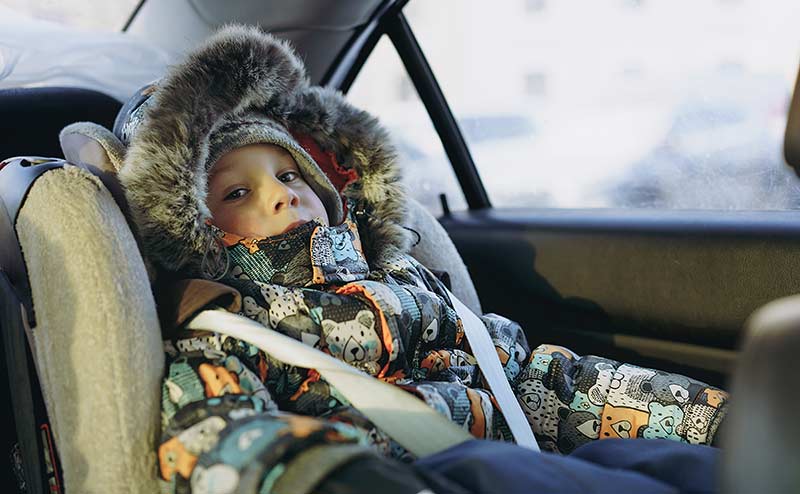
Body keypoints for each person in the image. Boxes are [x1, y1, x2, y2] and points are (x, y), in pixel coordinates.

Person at [107, 25, 726, 493]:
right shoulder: (226, 328)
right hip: (413, 476)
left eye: (290, 171)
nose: (279, 193)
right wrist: (329, 476)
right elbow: (214, 430)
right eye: (236, 192)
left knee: (686, 467)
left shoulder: (409, 282)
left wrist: (712, 418)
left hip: (527, 455)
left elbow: (539, 384)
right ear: (190, 226)